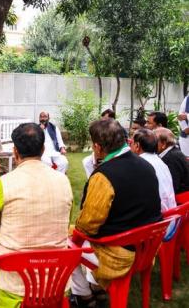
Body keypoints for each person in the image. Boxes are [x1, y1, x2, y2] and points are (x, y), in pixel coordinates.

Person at [71, 119, 162, 308]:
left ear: (97, 147)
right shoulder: (147, 165)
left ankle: (83, 294)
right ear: (125, 140)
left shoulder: (103, 176)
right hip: (147, 248)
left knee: (65, 242)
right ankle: (96, 287)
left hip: (117, 256)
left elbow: (87, 225)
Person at [0, 123, 73, 307]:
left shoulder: (4, 183)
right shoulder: (63, 181)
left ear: (15, 151)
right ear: (43, 149)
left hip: (15, 288)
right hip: (56, 284)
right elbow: (65, 226)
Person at [130, 128, 176, 212]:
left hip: (159, 216)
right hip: (171, 211)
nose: (130, 147)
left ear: (137, 146)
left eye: (131, 143)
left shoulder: (140, 164)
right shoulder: (159, 161)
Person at [155, 128, 189, 195]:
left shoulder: (171, 158)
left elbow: (172, 187)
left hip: (181, 198)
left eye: (154, 141)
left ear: (164, 144)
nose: (151, 144)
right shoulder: (172, 152)